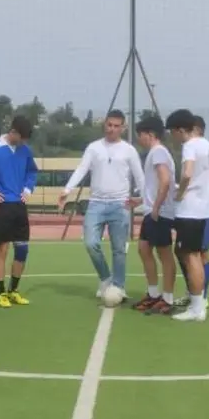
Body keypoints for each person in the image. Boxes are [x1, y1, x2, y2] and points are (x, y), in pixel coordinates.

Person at [59, 110, 146, 300]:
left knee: (119, 249)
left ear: (122, 128)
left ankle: (119, 286)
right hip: (96, 203)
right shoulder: (93, 148)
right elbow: (82, 168)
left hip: (120, 204)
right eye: (109, 125)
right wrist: (67, 190)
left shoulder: (128, 150)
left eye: (116, 126)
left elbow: (140, 177)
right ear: (104, 125)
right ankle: (106, 278)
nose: (112, 129)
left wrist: (144, 199)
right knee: (91, 243)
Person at [0, 115, 38, 308]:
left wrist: (28, 189)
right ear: (13, 132)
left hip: (19, 206)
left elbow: (32, 171)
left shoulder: (25, 150)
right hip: (1, 206)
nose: (24, 142)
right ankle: (1, 292)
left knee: (22, 249)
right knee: (2, 249)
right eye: (22, 138)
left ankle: (14, 290)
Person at [165, 109, 209, 322]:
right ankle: (199, 303)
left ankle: (197, 307)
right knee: (193, 255)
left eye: (172, 132)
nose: (172, 137)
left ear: (179, 129)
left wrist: (180, 192)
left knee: (190, 256)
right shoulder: (207, 144)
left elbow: (187, 173)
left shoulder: (190, 146)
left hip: (190, 210)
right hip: (204, 209)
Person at [131, 116, 179, 314]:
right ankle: (153, 294)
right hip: (153, 210)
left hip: (160, 212)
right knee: (143, 248)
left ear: (149, 134)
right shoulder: (155, 153)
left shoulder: (158, 152)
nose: (139, 139)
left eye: (140, 135)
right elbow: (154, 185)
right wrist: (142, 201)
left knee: (164, 253)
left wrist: (157, 206)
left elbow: (165, 181)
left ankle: (167, 298)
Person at [175, 116, 209, 307]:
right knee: (181, 251)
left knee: (198, 253)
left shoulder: (195, 146)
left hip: (199, 209)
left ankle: (202, 297)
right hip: (202, 207)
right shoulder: (206, 147)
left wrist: (186, 190)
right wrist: (203, 185)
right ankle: (193, 292)